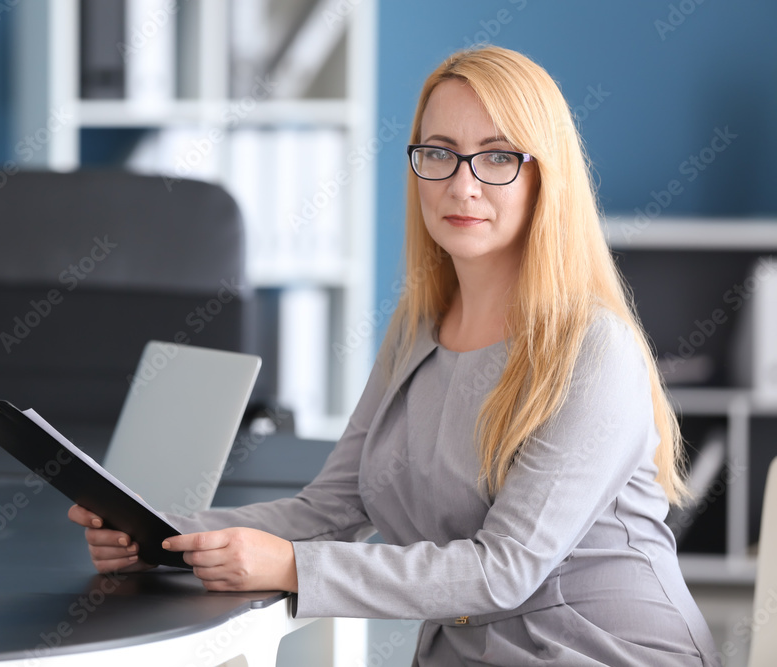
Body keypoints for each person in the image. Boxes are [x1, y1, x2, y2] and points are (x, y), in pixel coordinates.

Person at [69, 45, 720, 665]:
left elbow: (503, 570)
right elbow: (328, 508)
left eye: (497, 158)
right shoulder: (418, 329)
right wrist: (160, 534)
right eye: (440, 152)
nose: (463, 185)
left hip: (606, 651)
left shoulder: (593, 349)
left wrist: (292, 566)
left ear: (545, 177)